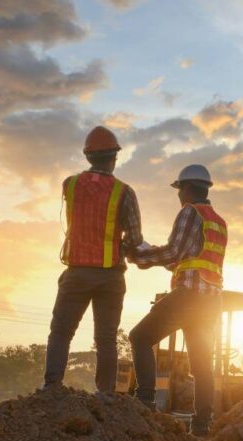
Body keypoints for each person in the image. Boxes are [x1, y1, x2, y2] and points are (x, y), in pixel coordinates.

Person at [42, 126, 143, 395]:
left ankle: (52, 387)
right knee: (107, 338)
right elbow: (134, 238)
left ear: (88, 156)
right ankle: (106, 394)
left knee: (61, 331)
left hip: (76, 272)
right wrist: (122, 249)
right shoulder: (125, 192)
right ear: (114, 158)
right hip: (110, 275)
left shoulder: (70, 184)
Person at [128, 164, 226, 437]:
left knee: (139, 338)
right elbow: (190, 260)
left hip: (189, 297)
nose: (178, 196)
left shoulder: (189, 212)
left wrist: (139, 256)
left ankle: (145, 402)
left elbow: (173, 253)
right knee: (202, 363)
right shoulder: (218, 221)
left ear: (187, 189)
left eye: (179, 189)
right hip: (211, 301)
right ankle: (202, 425)